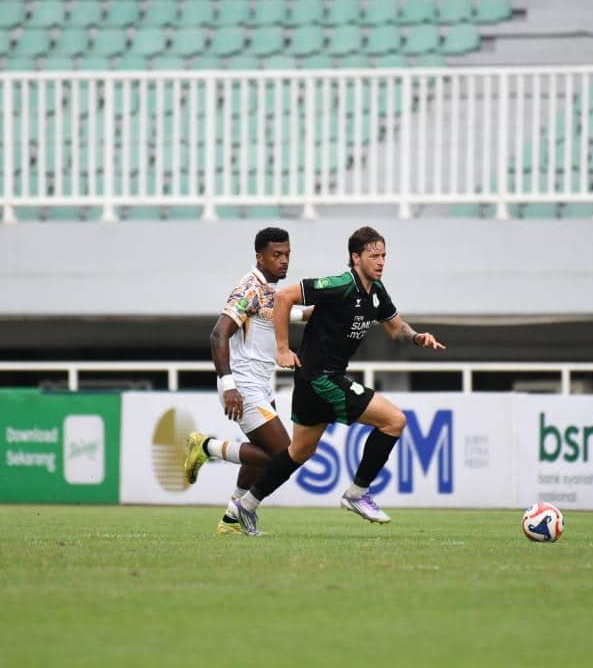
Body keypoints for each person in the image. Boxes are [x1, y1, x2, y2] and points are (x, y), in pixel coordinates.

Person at [228, 226, 446, 536]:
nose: (381, 261)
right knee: (394, 421)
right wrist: (282, 348)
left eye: (384, 255)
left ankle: (245, 506)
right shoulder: (342, 284)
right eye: (374, 255)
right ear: (356, 258)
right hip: (322, 379)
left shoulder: (377, 292)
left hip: (312, 382)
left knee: (298, 452)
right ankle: (357, 493)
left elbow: (396, 328)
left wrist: (417, 338)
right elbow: (284, 297)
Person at [183, 227, 311, 535]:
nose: (283, 261)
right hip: (242, 386)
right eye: (276, 255)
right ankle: (208, 447)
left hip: (261, 386)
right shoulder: (249, 289)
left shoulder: (270, 293)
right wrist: (229, 385)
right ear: (260, 256)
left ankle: (231, 520)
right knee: (283, 455)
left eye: (287, 255)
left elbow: (296, 314)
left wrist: (346, 306)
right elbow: (218, 333)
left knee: (261, 455)